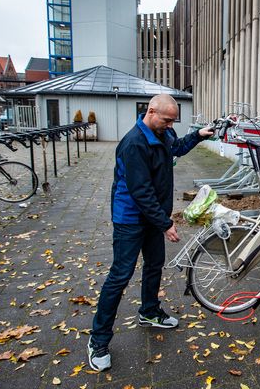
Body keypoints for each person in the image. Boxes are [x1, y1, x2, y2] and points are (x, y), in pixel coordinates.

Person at [88, 94, 214, 372]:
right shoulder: (134, 144)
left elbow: (177, 147)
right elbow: (141, 192)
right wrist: (165, 223)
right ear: (151, 111)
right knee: (120, 276)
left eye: (173, 121)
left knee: (155, 264)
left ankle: (149, 312)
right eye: (167, 120)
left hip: (152, 218)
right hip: (130, 219)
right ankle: (98, 340)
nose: (171, 126)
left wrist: (200, 135)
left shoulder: (163, 132)